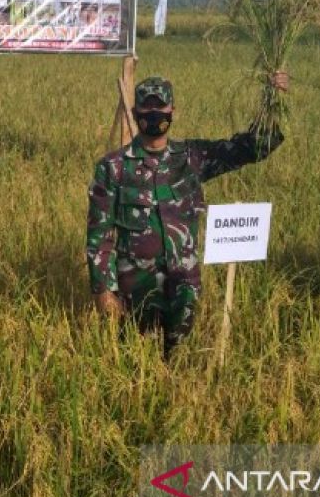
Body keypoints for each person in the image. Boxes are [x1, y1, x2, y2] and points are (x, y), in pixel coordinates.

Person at [85, 73, 289, 357]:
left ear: (173, 112)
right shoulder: (114, 168)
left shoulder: (191, 158)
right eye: (147, 109)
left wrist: (272, 100)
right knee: (135, 363)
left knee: (179, 361)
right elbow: (99, 237)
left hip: (183, 288)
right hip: (135, 289)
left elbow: (251, 148)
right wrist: (103, 291)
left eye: (161, 108)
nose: (155, 115)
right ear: (135, 113)